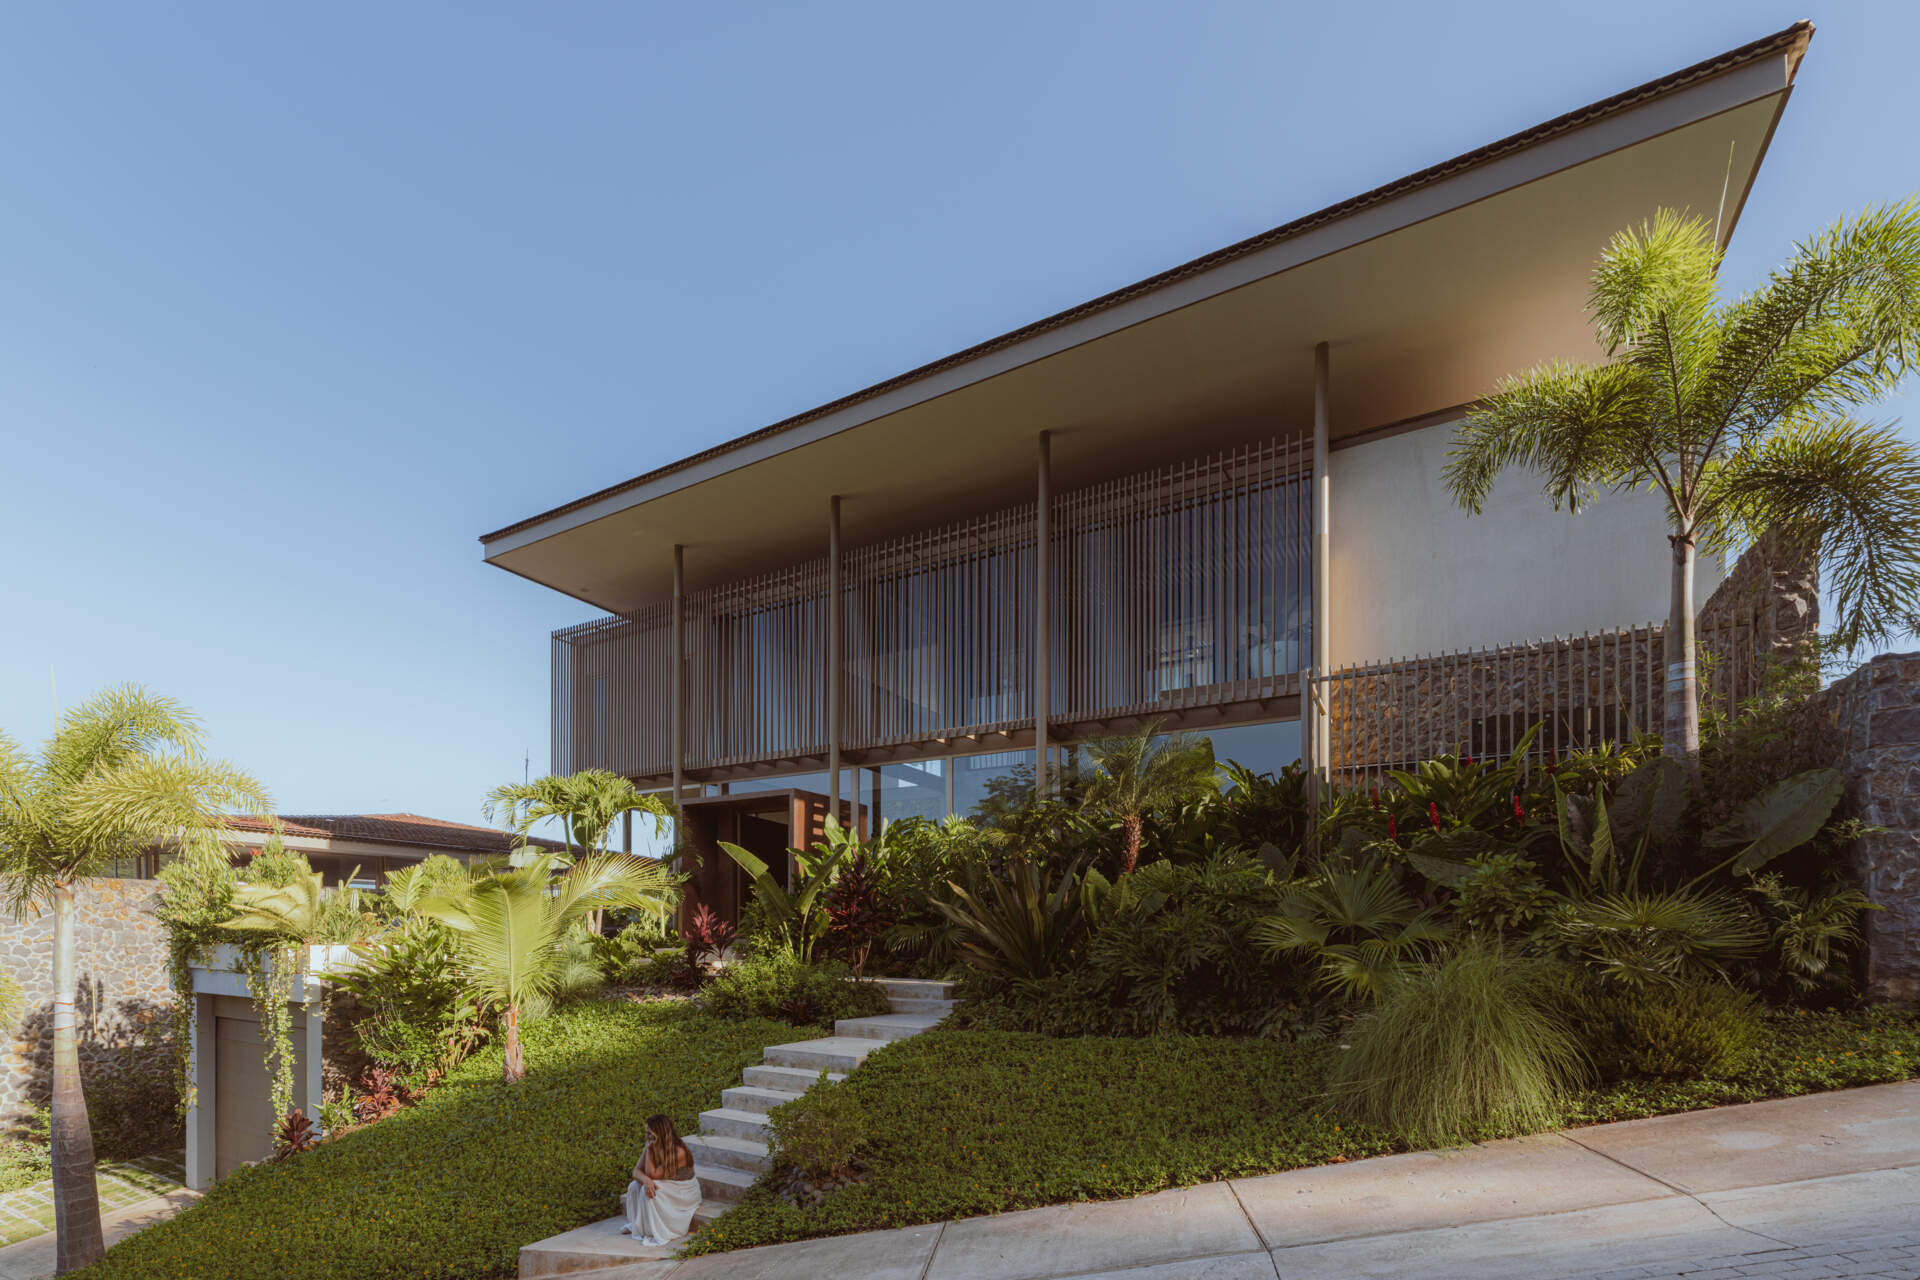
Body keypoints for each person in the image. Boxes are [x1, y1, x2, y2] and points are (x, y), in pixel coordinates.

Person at [621, 1113, 702, 1245]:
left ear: (660, 1133)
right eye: (647, 1133)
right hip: (667, 1184)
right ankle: (640, 1227)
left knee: (650, 1190)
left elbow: (653, 1175)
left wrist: (650, 1151)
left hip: (682, 1191)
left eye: (650, 1133)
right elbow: (636, 1171)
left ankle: (655, 1230)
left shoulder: (678, 1152)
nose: (647, 1136)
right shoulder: (651, 1146)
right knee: (634, 1186)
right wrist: (646, 1180)